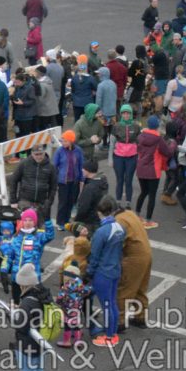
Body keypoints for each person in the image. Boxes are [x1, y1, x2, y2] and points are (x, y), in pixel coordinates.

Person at [12, 262, 51, 371]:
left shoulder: (28, 302)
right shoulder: (43, 295)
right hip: (40, 344)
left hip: (27, 346)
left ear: (24, 284)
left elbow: (20, 325)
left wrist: (13, 314)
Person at [87, 197, 125, 346]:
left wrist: (89, 272)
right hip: (116, 269)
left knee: (106, 305)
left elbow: (95, 256)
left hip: (103, 272)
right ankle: (113, 333)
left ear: (99, 212)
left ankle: (109, 337)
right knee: (112, 303)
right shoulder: (121, 228)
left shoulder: (101, 232)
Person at [113, 204, 153, 330]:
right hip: (147, 254)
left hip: (134, 258)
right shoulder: (130, 214)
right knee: (140, 288)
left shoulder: (119, 221)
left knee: (125, 289)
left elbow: (118, 244)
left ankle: (119, 322)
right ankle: (140, 317)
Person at [10, 146, 57, 220]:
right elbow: (13, 180)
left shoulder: (51, 167)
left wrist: (49, 202)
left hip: (42, 203)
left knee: (41, 228)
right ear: (32, 154)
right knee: (24, 227)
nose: (39, 156)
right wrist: (13, 200)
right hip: (25, 201)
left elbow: (53, 186)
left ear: (44, 153)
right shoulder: (24, 164)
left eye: (41, 154)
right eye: (36, 154)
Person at [52, 130, 84, 229]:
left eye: (65, 141)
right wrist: (56, 179)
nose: (63, 143)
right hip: (63, 182)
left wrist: (82, 178)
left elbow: (81, 165)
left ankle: (67, 220)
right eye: (62, 141)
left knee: (71, 201)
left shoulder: (78, 150)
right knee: (63, 202)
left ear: (71, 141)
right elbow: (54, 166)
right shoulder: (59, 151)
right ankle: (60, 222)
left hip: (74, 181)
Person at [112, 104, 141, 202]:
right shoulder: (116, 126)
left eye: (128, 113)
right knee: (119, 180)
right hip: (118, 157)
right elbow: (112, 143)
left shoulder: (136, 126)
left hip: (132, 156)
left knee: (128, 180)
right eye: (123, 113)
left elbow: (139, 142)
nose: (126, 115)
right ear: (121, 114)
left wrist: (140, 156)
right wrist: (109, 159)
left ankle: (128, 202)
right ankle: (118, 201)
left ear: (131, 114)